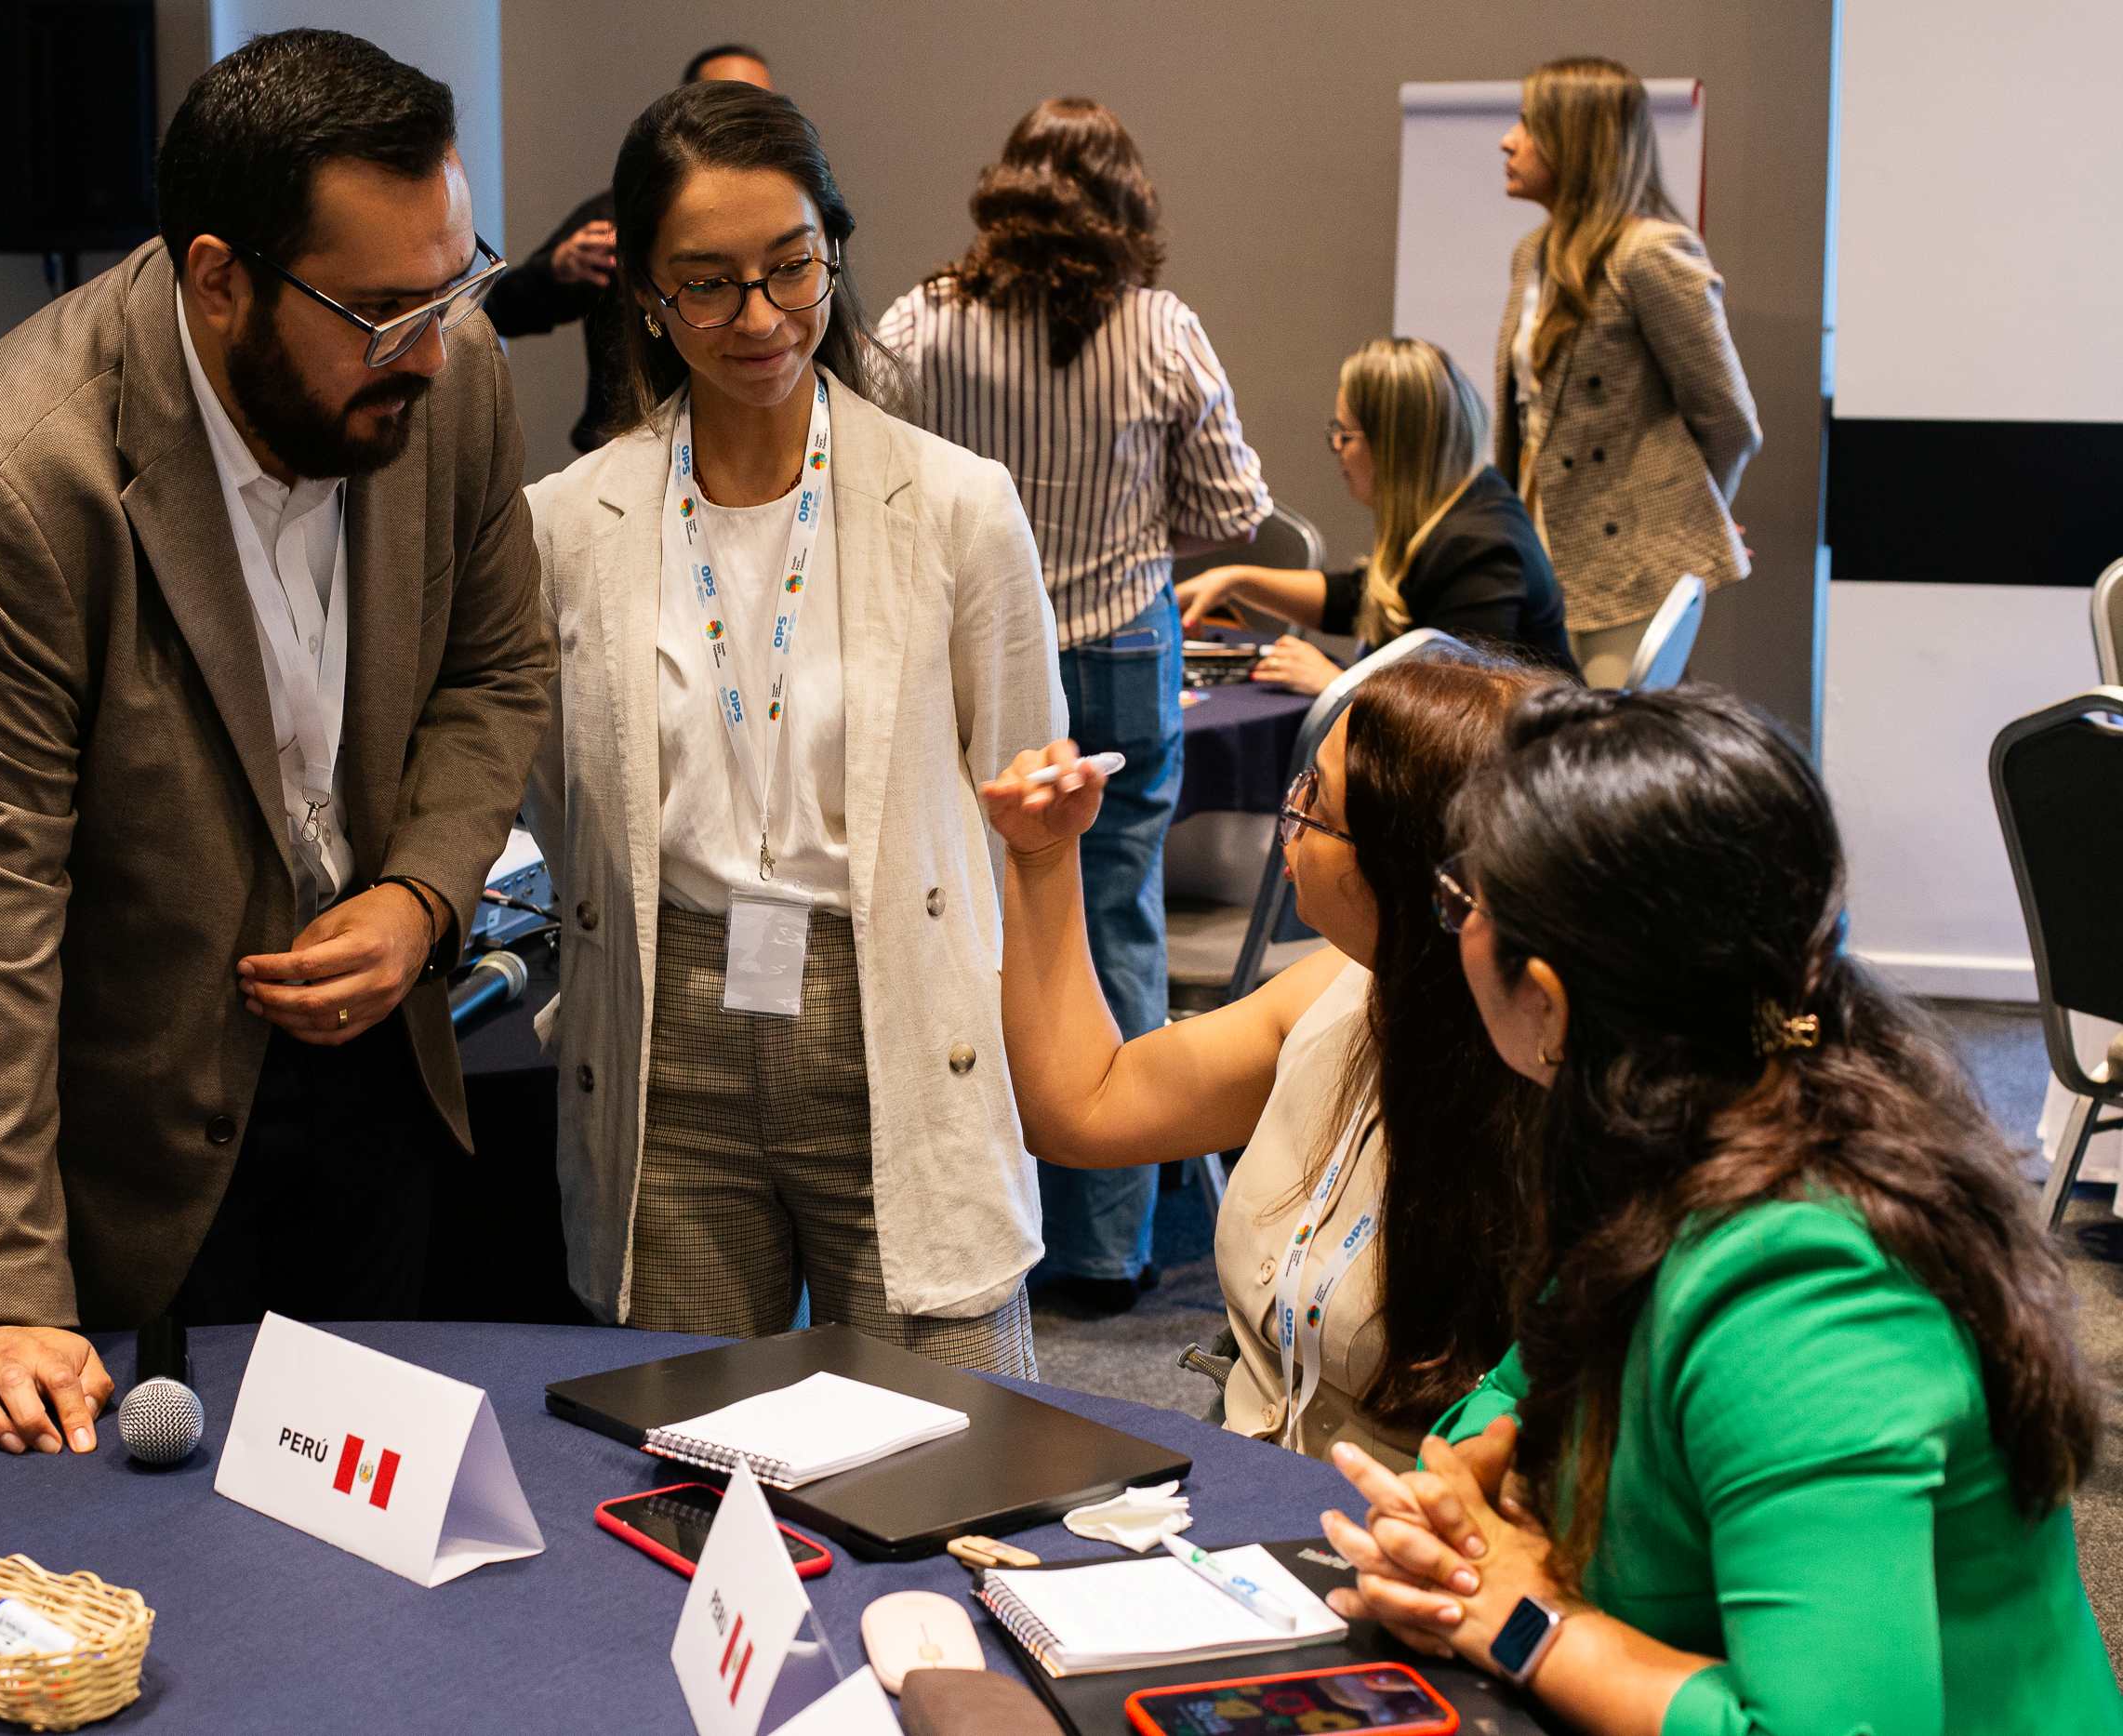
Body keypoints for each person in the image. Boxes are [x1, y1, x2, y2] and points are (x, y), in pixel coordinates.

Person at [0, 32, 551, 1455]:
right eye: (383, 309)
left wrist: (419, 892)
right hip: (93, 1113)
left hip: (361, 1072)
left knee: (356, 1564)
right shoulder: (17, 475)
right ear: (220, 278)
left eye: (454, 284)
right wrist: (1, 1286)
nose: (438, 343)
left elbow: (495, 665)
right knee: (73, 1577)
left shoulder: (445, 376)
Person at [1322, 685, 2120, 1732]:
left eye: (1460, 900)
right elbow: (1509, 1407)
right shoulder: (1685, 1132)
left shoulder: (1805, 1293)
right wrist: (1465, 1519)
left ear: (1553, 1003)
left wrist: (1526, 1622)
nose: (1454, 926)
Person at [523, 81, 1063, 1375]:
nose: (759, 317)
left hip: (891, 1011)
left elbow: (1023, 806)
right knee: (691, 1459)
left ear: (833, 249)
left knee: (955, 1456)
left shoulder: (954, 507)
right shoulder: (570, 524)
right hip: (672, 1041)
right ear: (645, 295)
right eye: (707, 282)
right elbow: (556, 793)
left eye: (790, 268)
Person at [878, 97, 1270, 1312]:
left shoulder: (923, 321)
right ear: (1129, 199)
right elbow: (1238, 508)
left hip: (970, 650)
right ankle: (1106, 1241)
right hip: (1116, 644)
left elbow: (866, 477)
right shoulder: (1162, 330)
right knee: (1115, 926)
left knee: (961, 923)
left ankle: (977, 1207)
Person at [979, 656, 1551, 1467]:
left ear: (1402, 867)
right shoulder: (1341, 989)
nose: (1291, 818)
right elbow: (1084, 1105)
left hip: (1402, 1540)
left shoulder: (1548, 1102)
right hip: (1245, 1492)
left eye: (1313, 800)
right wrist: (1043, 859)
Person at [1493, 57, 1759, 688]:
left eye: (1530, 124)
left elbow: (1729, 421)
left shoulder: (1649, 253)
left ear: (1578, 141)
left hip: (1630, 564)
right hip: (1542, 545)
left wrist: (1695, 517)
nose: (1509, 140)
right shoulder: (1532, 252)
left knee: (1610, 751)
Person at [1177, 338, 1575, 696]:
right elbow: (1364, 597)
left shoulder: (1481, 549)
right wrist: (1236, 581)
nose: (1336, 447)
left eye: (1346, 436)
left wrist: (1338, 685)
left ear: (1394, 448)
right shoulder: (1461, 501)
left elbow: (1461, 711)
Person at [484, 44, 776, 454]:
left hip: (755, 448)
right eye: (729, 102)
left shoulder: (794, 221)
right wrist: (554, 271)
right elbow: (496, 312)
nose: (745, 122)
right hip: (628, 451)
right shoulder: (622, 218)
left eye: (761, 109)